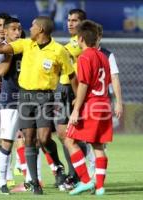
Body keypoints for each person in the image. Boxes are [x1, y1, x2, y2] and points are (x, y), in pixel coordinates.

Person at [0, 16, 76, 195]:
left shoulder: (58, 50)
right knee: (29, 138)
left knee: (44, 137)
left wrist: (76, 98)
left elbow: (71, 75)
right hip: (25, 97)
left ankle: (57, 165)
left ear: (40, 29)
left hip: (45, 96)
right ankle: (35, 183)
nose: (28, 28)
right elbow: (1, 47)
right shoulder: (26, 44)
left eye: (32, 25)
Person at [65, 20, 113, 196]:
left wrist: (76, 109)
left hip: (92, 105)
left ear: (81, 38)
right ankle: (100, 187)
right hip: (104, 104)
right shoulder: (103, 57)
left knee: (69, 140)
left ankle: (85, 181)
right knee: (98, 146)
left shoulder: (85, 56)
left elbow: (84, 84)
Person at [55, 8, 89, 189]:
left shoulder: (81, 43)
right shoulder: (70, 43)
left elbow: (62, 54)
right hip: (63, 89)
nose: (70, 23)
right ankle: (73, 173)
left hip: (76, 89)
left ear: (82, 23)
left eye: (74, 20)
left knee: (75, 136)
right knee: (62, 134)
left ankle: (79, 175)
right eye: (68, 20)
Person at [0, 17, 22, 194]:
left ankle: (34, 180)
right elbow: (1, 71)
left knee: (34, 139)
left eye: (19, 29)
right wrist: (10, 52)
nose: (17, 33)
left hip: (29, 98)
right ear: (6, 32)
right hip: (9, 99)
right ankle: (3, 182)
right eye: (14, 29)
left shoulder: (26, 45)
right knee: (8, 141)